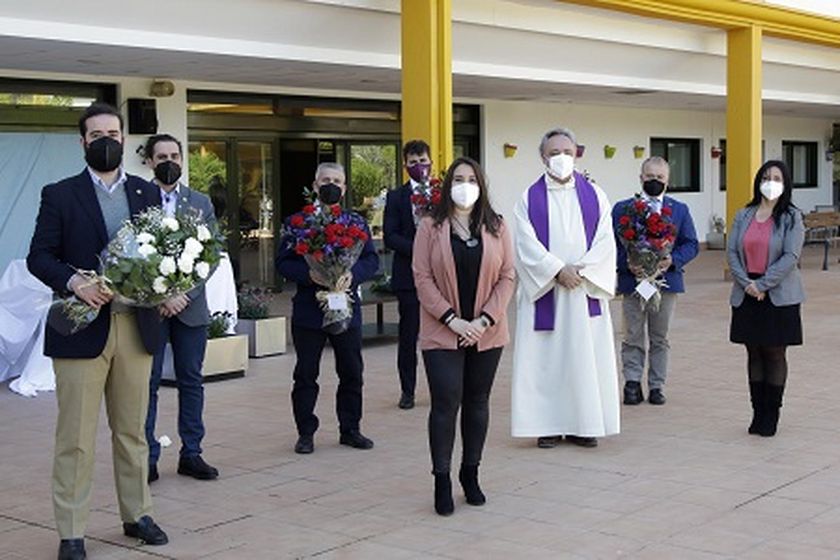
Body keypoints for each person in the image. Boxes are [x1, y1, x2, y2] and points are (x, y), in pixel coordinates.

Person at [27, 103, 168, 560]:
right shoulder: (59, 194)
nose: (106, 141)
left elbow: (163, 254)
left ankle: (138, 513)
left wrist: (167, 286)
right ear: (82, 142)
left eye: (113, 133)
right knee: (75, 438)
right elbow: (39, 256)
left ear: (124, 139)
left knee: (133, 432)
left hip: (136, 327)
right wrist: (75, 282)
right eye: (96, 135)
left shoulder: (148, 192)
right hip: (80, 328)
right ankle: (71, 531)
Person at [412, 156, 515, 516]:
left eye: (472, 179)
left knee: (477, 401)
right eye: (458, 179)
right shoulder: (430, 225)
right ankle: (441, 479)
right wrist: (453, 320)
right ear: (448, 185)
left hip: (487, 330)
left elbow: (508, 276)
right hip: (443, 330)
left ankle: (470, 473)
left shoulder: (497, 225)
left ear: (481, 185)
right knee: (445, 402)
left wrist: (484, 320)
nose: (465, 185)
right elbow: (422, 277)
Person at [511, 127, 619, 449]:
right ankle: (548, 425)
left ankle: (584, 425)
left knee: (584, 361)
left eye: (567, 152)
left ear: (577, 155)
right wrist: (557, 271)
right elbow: (524, 244)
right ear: (542, 157)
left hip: (583, 291)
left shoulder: (596, 195)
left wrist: (580, 271)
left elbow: (605, 241)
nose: (561, 158)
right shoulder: (528, 198)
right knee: (547, 362)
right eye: (554, 153)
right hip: (548, 292)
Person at [276, 162, 380, 454]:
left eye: (336, 181)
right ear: (315, 185)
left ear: (344, 188)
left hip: (346, 307)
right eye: (325, 181)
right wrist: (309, 275)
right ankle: (305, 432)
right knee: (306, 374)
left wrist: (353, 275)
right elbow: (282, 262)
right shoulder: (297, 222)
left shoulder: (355, 223)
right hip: (309, 310)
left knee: (351, 371)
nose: (330, 186)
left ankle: (350, 429)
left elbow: (371, 259)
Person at [143, 134, 219, 483]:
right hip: (152, 308)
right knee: (148, 383)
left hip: (190, 307)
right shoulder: (137, 198)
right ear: (150, 161)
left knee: (191, 380)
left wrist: (184, 294)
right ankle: (147, 457)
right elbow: (130, 253)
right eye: (162, 157)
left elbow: (211, 254)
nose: (169, 162)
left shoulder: (200, 202)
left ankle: (192, 453)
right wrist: (160, 296)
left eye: (174, 156)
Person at [612, 156, 698, 406]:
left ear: (668, 181)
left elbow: (691, 244)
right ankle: (632, 382)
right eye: (650, 176)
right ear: (641, 178)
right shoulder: (623, 209)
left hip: (665, 282)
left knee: (660, 337)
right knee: (632, 334)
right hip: (633, 282)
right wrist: (627, 263)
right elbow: (610, 244)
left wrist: (673, 260)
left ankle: (657, 385)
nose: (654, 181)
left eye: (660, 177)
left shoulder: (679, 210)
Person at [728, 160, 804, 437]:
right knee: (754, 352)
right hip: (747, 291)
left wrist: (763, 284)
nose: (771, 182)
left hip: (778, 294)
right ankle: (757, 412)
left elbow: (791, 256)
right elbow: (732, 252)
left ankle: (772, 414)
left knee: (774, 353)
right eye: (766, 177)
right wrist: (747, 284)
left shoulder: (792, 217)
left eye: (777, 178)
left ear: (785, 184)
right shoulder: (744, 214)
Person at [383, 139, 432, 410]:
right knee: (409, 336)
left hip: (440, 278)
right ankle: (407, 391)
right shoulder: (396, 197)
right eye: (413, 162)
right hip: (408, 277)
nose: (419, 166)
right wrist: (419, 249)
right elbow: (390, 236)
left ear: (430, 162)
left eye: (423, 161)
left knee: (440, 337)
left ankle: (442, 388)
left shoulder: (442, 193)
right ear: (405, 165)